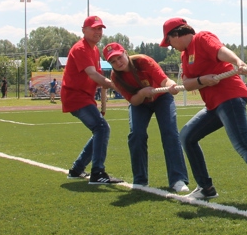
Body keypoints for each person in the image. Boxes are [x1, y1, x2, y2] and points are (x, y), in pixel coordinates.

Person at [161, 18, 247, 212]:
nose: (170, 46)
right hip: (214, 105)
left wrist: (237, 62)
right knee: (187, 135)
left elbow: (220, 51)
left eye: (169, 41)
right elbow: (187, 83)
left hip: (230, 97)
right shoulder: (185, 56)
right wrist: (202, 80)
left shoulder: (202, 38)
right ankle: (206, 188)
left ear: (176, 34)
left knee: (244, 145)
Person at [102, 42, 189, 192]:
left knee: (169, 132)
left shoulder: (144, 61)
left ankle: (178, 179)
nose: (118, 63)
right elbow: (133, 101)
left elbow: (164, 80)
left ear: (126, 53)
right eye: (113, 61)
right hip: (140, 103)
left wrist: (172, 85)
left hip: (162, 97)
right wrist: (142, 93)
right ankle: (140, 180)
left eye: (119, 57)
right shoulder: (116, 77)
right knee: (136, 134)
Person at [60, 15, 123, 185]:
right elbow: (93, 74)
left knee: (100, 128)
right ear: (84, 30)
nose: (98, 32)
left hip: (84, 97)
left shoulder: (94, 49)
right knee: (102, 128)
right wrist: (118, 87)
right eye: (94, 28)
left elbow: (99, 78)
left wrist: (103, 104)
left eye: (100, 29)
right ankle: (97, 173)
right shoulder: (81, 49)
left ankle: (77, 170)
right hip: (75, 97)